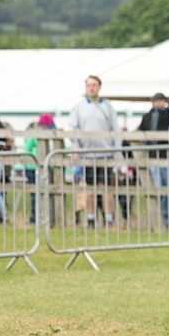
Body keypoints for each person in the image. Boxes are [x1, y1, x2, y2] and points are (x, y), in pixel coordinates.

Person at [67, 76, 121, 228]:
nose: (91, 88)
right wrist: (77, 149)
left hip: (106, 153)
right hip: (88, 154)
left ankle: (109, 218)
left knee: (106, 187)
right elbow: (73, 128)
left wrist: (117, 152)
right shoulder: (79, 107)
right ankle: (90, 218)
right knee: (90, 187)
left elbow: (115, 129)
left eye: (94, 85)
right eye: (89, 85)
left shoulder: (107, 107)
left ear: (99, 87)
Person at [138, 93, 169, 228]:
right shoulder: (147, 116)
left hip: (167, 157)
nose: (155, 103)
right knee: (157, 187)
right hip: (152, 157)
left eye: (157, 101)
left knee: (168, 188)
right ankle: (156, 218)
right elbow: (141, 132)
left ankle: (167, 217)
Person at [21, 114, 57, 225]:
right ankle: (35, 217)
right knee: (35, 193)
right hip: (33, 168)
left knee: (50, 192)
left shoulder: (53, 133)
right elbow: (26, 151)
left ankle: (49, 217)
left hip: (48, 167)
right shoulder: (34, 133)